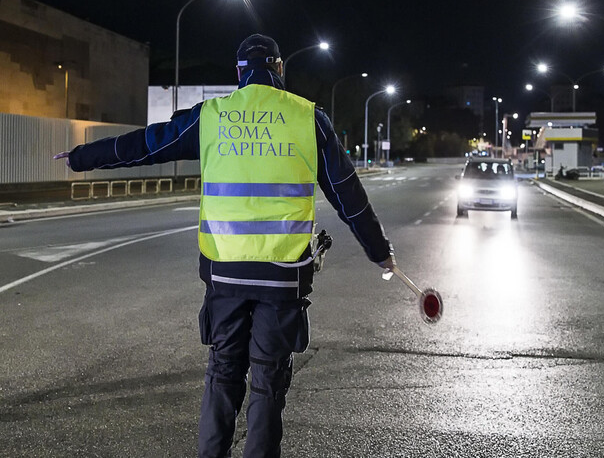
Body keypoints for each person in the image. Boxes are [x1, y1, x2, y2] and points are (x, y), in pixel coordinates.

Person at [54, 33, 396, 458]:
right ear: (279, 69)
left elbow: (145, 145)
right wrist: (379, 251)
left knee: (222, 374)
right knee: (268, 384)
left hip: (225, 275)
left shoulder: (212, 116)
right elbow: (349, 195)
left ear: (238, 72)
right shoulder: (309, 118)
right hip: (282, 278)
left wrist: (81, 157)